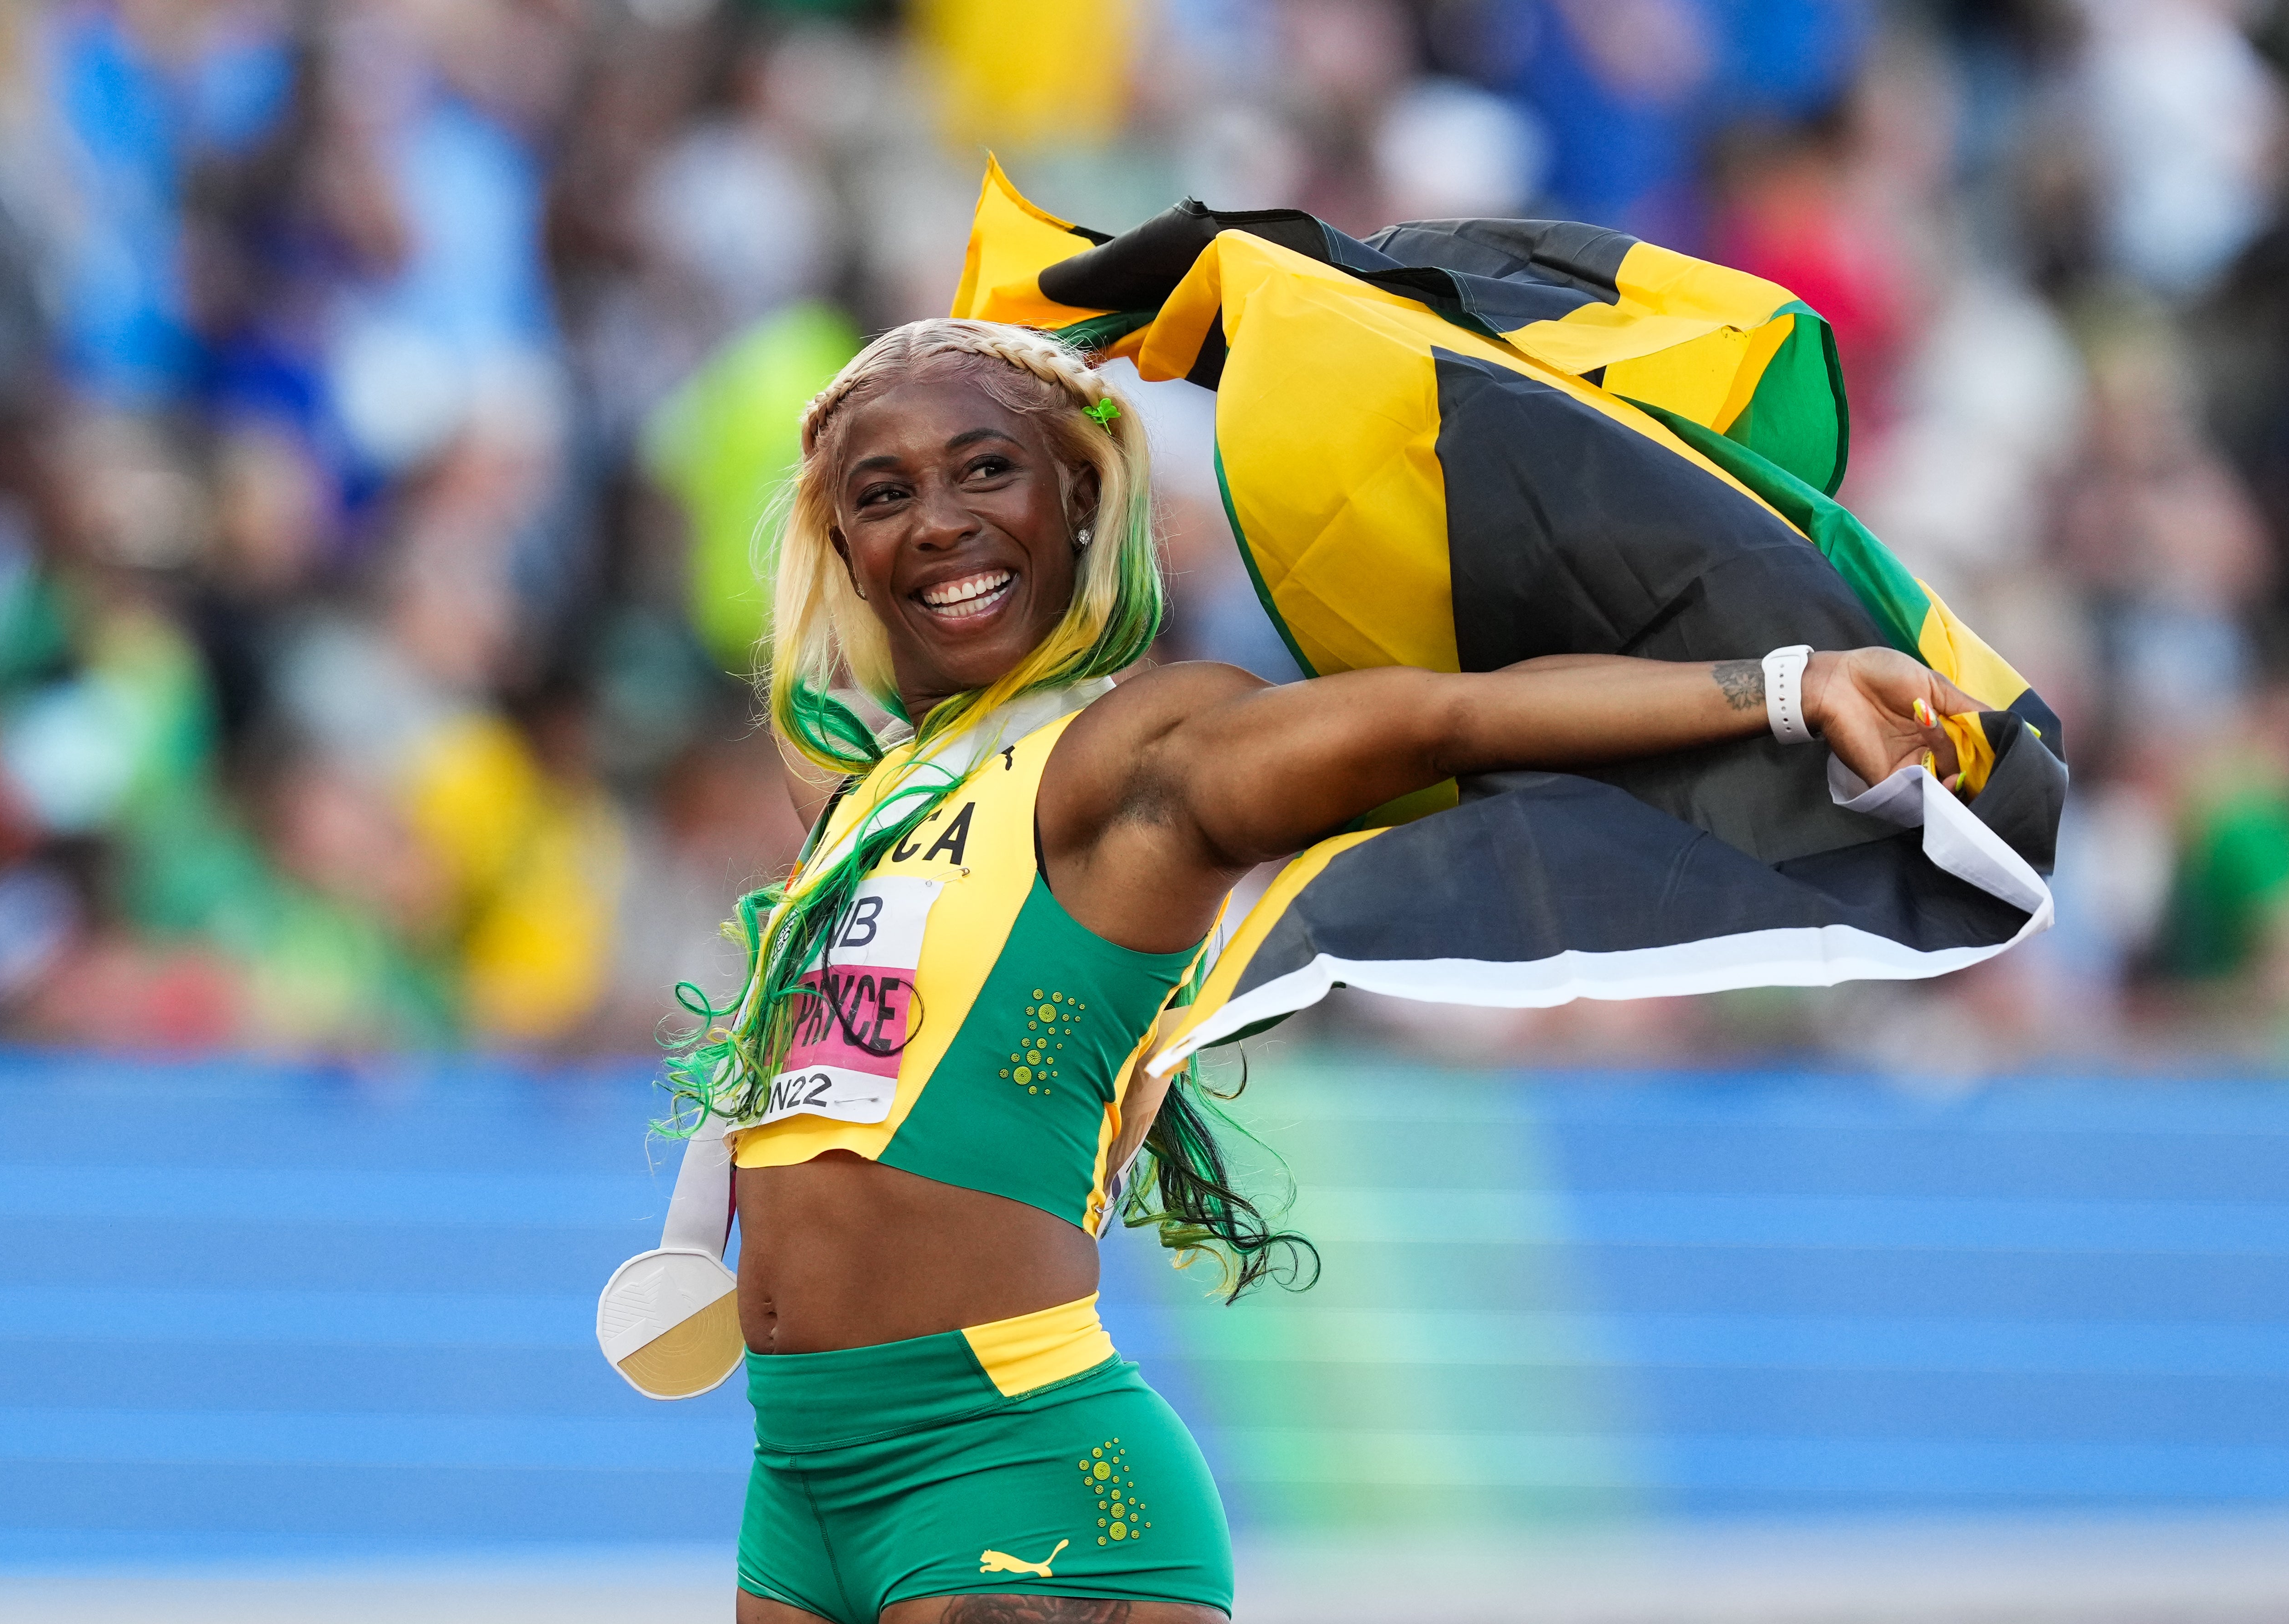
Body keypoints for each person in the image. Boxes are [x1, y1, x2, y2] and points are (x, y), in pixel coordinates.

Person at [682, 318, 1976, 1624]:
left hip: (1018, 1481)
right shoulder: (870, 800)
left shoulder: (1140, 763)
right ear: (840, 542)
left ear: (1080, 501)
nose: (941, 521)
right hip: (798, 1489)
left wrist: (1781, 686)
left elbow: (1440, 715)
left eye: (986, 472)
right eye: (885, 494)